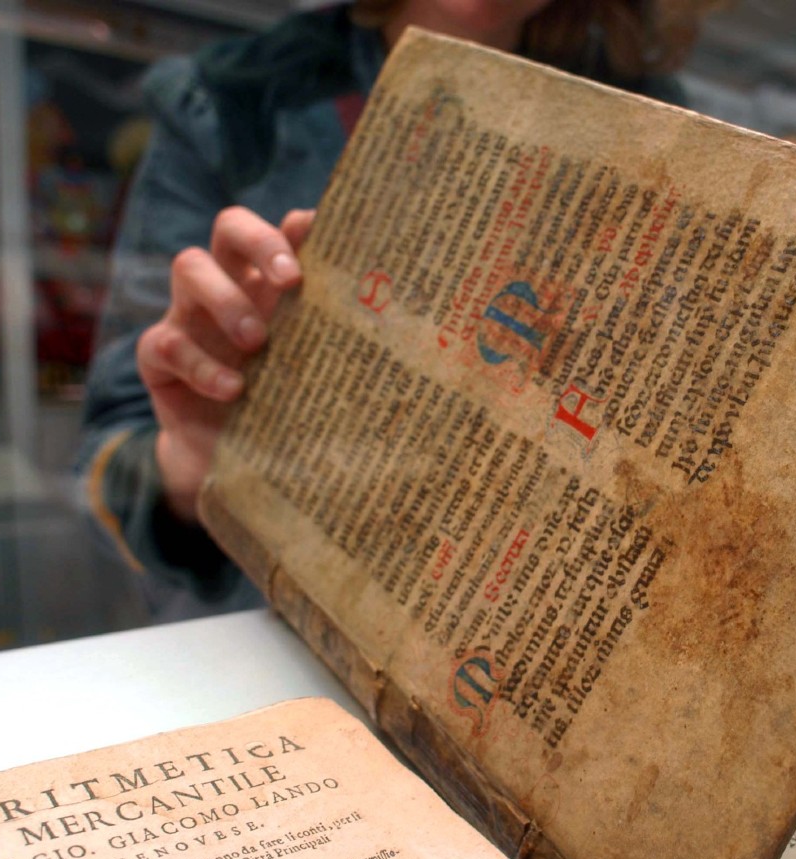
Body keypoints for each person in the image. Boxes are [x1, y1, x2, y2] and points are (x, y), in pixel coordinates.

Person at [78, 0, 714, 619]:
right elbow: (108, 468)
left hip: (548, 623)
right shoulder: (230, 104)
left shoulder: (663, 122)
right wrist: (192, 461)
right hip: (282, 642)